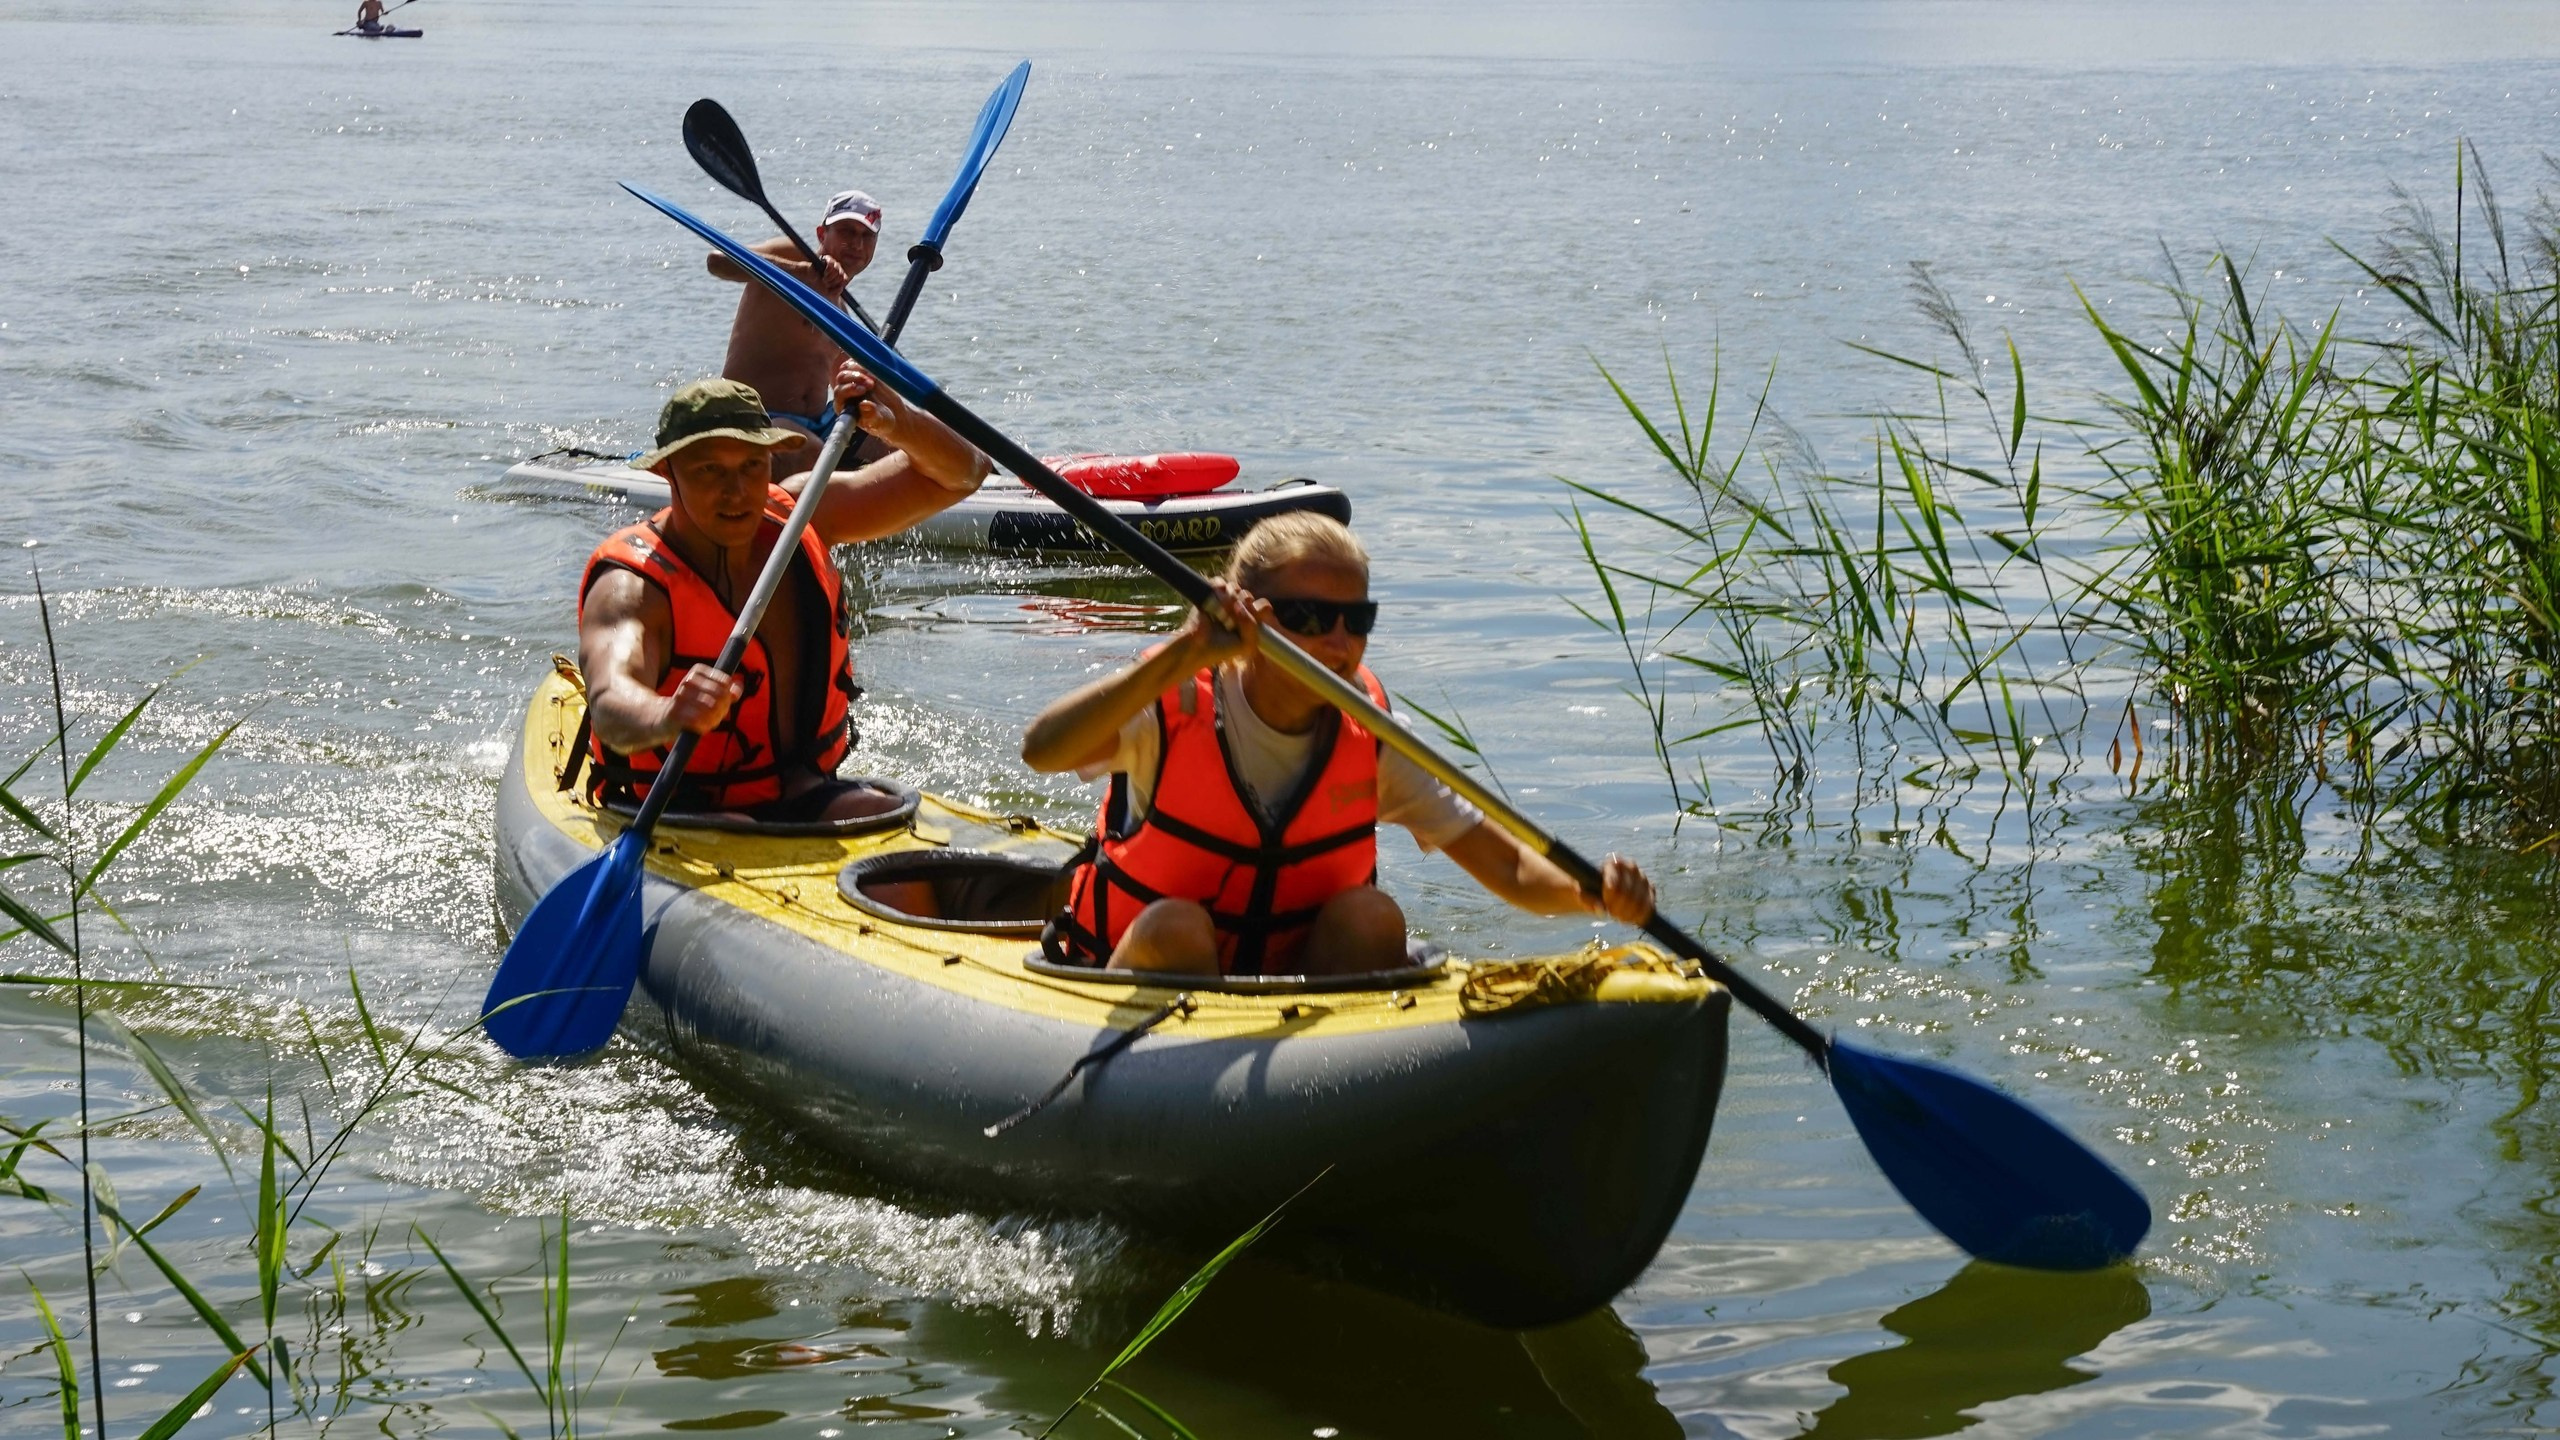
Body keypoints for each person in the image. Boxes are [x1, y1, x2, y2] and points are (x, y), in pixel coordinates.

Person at [1021, 513, 1657, 977]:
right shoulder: (1176, 701)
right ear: (1251, 617)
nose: (1340, 641)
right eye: (1310, 618)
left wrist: (1590, 893)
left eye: (1358, 620)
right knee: (1177, 927)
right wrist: (1184, 654)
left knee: (1371, 918)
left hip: (1298, 993)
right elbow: (1042, 750)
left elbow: (1509, 867)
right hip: (1149, 978)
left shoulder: (1370, 733)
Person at [578, 368, 989, 826]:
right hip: (668, 810)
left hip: (802, 792)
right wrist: (666, 713)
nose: (736, 491)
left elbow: (963, 475)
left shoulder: (803, 515)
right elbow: (610, 701)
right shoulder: (631, 584)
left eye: (752, 466)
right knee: (737, 828)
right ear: (665, 471)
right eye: (710, 470)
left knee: (880, 809)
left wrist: (899, 424)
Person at [708, 191, 883, 480]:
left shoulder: (842, 311)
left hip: (816, 425)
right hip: (752, 417)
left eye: (866, 236)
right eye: (846, 231)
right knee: (809, 451)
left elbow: (846, 383)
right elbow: (718, 261)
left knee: (896, 437)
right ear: (822, 234)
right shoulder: (791, 254)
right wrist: (802, 274)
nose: (856, 244)